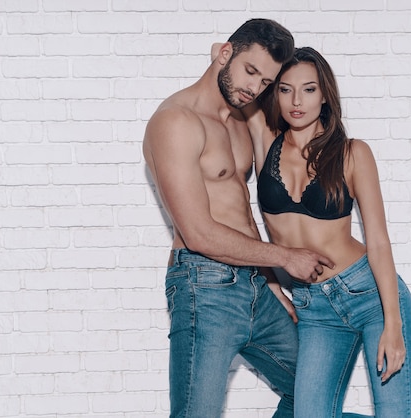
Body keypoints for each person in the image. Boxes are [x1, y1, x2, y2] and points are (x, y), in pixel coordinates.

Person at [143, 20, 334, 418]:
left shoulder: (241, 120)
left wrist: (269, 283)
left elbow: (241, 214)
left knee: (316, 394)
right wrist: (284, 259)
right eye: (250, 72)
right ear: (225, 54)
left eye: (265, 81)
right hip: (205, 286)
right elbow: (198, 232)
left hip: (256, 285)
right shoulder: (176, 122)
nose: (254, 88)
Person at [243, 47, 411, 417]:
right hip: (314, 307)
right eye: (285, 89)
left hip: (369, 294)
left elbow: (379, 241)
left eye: (308, 89)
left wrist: (393, 322)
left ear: (324, 95)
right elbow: (222, 57)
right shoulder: (264, 136)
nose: (296, 101)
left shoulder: (354, 153)